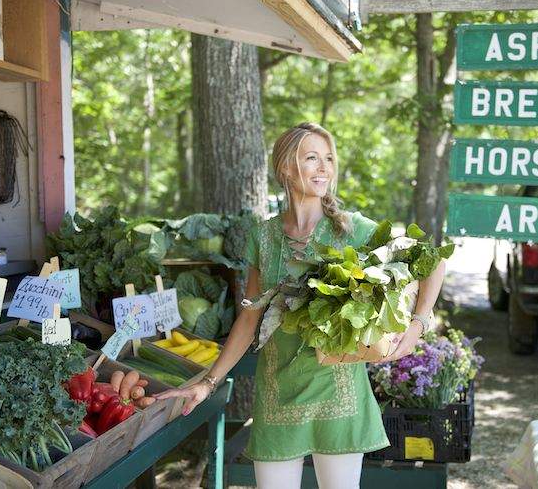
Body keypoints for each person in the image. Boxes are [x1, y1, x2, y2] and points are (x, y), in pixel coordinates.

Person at [155, 122, 446, 489]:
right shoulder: (264, 236)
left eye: (328, 159)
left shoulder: (353, 230)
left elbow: (432, 260)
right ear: (286, 169)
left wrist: (417, 324)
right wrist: (208, 382)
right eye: (312, 158)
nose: (324, 167)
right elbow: (250, 315)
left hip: (340, 394)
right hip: (278, 392)